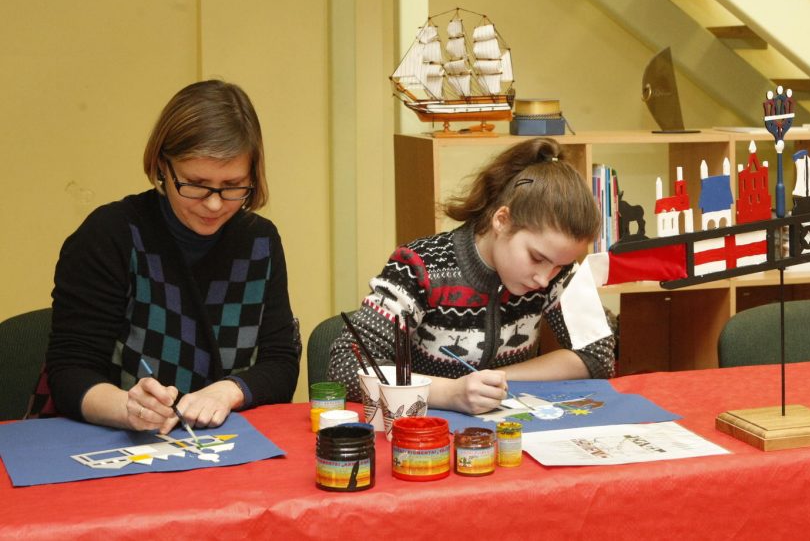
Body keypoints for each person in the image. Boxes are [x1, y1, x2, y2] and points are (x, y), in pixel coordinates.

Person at [45, 79, 299, 433]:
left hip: (222, 446)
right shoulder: (111, 234)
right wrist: (129, 408)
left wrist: (227, 392)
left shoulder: (259, 240)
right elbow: (70, 371)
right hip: (119, 442)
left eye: (232, 187)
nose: (213, 204)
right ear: (163, 166)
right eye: (195, 184)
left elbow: (280, 364)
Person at [328, 137, 615, 415]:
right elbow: (346, 366)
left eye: (558, 266)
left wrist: (493, 379)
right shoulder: (420, 266)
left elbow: (598, 354)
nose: (544, 278)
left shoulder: (556, 269)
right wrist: (450, 393)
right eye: (536, 258)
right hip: (424, 431)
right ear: (502, 220)